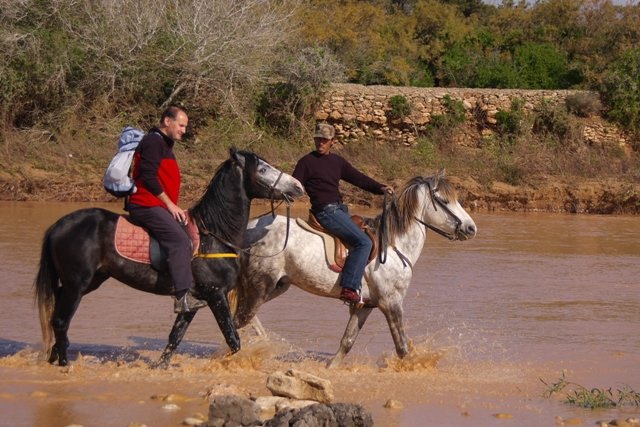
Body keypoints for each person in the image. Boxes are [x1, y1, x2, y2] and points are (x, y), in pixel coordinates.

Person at [292, 123, 394, 306]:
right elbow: (295, 185)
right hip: (325, 211)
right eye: (318, 139)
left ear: (332, 141)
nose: (320, 143)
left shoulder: (337, 162)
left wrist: (380, 188)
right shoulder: (305, 162)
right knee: (364, 242)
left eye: (324, 140)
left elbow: (359, 178)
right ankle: (349, 288)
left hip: (339, 210)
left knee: (367, 231)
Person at [127, 106, 206, 314]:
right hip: (146, 204)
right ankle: (182, 297)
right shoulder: (153, 141)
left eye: (185, 126)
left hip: (158, 205)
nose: (183, 130)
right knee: (179, 240)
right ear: (167, 121)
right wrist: (170, 204)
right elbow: (147, 175)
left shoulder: (165, 144)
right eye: (181, 125)